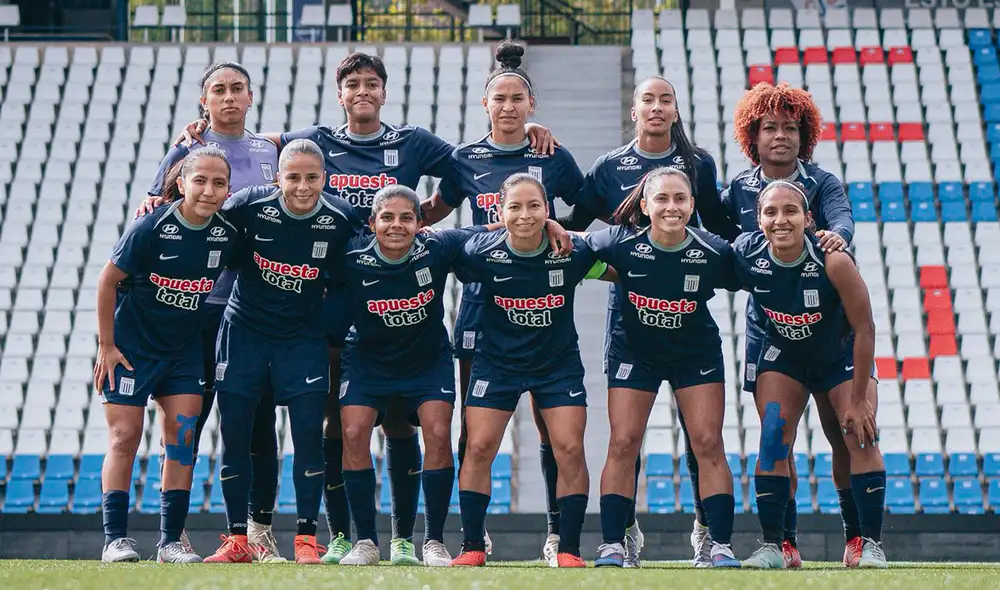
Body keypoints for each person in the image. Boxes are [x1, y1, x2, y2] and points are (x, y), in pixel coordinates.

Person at [176, 50, 558, 565]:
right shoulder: (315, 142)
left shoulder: (412, 142)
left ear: (383, 90)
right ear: (340, 94)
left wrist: (522, 132)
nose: (362, 91)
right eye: (352, 83)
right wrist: (199, 132)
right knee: (339, 419)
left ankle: (409, 536)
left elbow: (471, 166)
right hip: (332, 295)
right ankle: (339, 535)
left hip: (397, 292)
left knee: (400, 420)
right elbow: (254, 142)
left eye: (371, 83)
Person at [561, 74, 741, 568]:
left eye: (666, 100)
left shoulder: (700, 169)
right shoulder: (610, 182)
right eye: (648, 99)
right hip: (632, 331)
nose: (657, 107)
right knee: (623, 441)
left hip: (692, 339)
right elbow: (574, 239)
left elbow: (736, 246)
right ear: (635, 110)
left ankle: (716, 540)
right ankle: (616, 540)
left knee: (706, 440)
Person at [419, 41, 585, 563]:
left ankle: (560, 531)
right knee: (479, 426)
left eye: (518, 98)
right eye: (500, 99)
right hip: (479, 306)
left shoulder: (552, 156)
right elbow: (434, 211)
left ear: (530, 105)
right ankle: (476, 534)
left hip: (542, 301)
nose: (509, 106)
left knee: (548, 424)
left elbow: (583, 216)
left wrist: (558, 224)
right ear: (485, 105)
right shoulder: (464, 158)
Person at [710, 81, 858, 569]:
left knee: (842, 434)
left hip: (829, 327)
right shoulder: (735, 189)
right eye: (769, 127)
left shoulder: (823, 182)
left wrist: (834, 238)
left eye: (790, 128)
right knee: (778, 437)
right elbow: (722, 246)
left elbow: (842, 224)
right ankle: (784, 544)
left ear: (805, 135)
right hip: (771, 332)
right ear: (752, 135)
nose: (780, 136)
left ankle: (857, 539)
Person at [144, 60, 286, 561]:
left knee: (256, 424)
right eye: (218, 90)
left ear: (251, 95)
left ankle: (257, 532)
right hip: (200, 304)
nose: (228, 97)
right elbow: (153, 213)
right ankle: (173, 534)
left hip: (256, 308)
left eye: (237, 89)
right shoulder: (185, 151)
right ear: (204, 100)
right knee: (190, 419)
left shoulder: (271, 150)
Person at [202, 139, 359, 565]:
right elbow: (200, 218)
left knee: (308, 436)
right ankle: (239, 539)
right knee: (235, 437)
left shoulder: (341, 216)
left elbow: (388, 234)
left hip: (301, 339)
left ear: (324, 178)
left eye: (312, 177)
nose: (303, 187)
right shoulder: (248, 206)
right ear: (278, 177)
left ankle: (306, 539)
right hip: (244, 332)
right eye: (293, 177)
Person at [449, 173, 610, 568]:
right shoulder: (479, 252)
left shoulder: (571, 252)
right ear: (500, 211)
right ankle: (472, 545)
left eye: (535, 206)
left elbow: (620, 264)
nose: (525, 215)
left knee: (570, 449)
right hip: (497, 363)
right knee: (479, 447)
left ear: (548, 210)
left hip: (557, 366)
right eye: (515, 207)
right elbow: (436, 240)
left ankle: (569, 549)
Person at [732, 181, 886, 570]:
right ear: (759, 218)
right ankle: (777, 546)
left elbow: (865, 327)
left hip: (839, 355)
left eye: (790, 211)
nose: (780, 220)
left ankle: (866, 543)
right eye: (771, 212)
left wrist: (857, 399)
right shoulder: (745, 254)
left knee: (859, 435)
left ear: (808, 218)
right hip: (784, 355)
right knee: (771, 441)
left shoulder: (833, 259)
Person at [95, 148, 239, 564]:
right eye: (201, 181)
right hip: (132, 351)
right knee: (125, 438)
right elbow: (107, 282)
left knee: (181, 442)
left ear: (228, 189)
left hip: (183, 353)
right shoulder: (151, 226)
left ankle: (170, 542)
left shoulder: (226, 234)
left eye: (219, 183)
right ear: (181, 183)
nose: (209, 191)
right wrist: (107, 346)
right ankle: (114, 540)